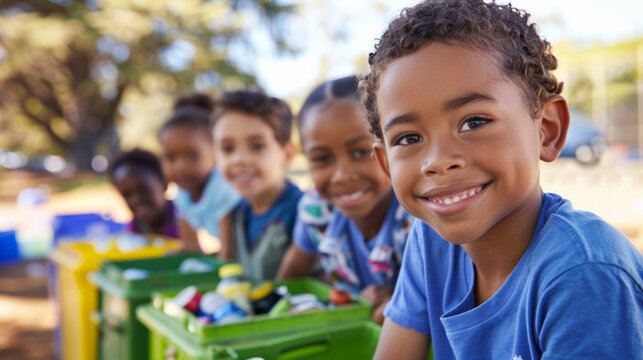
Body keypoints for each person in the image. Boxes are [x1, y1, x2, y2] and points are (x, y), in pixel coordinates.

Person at [363, 1, 643, 359]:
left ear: (546, 130)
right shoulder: (431, 241)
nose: (438, 162)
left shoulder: (585, 274)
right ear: (386, 164)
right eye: (409, 138)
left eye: (474, 122)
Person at [276, 76, 414, 324]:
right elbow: (291, 278)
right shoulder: (317, 210)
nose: (342, 175)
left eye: (361, 152)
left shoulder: (417, 215)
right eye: (322, 159)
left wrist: (403, 299)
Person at [211, 90, 303, 281]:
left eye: (257, 146)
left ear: (287, 153)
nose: (239, 160)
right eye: (228, 149)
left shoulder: (303, 212)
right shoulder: (234, 214)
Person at [159, 93, 241, 253]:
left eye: (192, 156)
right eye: (170, 157)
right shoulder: (182, 193)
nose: (180, 166)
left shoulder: (222, 187)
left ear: (216, 153)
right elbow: (190, 246)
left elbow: (229, 253)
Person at [109, 148, 179, 238]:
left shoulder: (182, 217)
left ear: (164, 183)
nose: (136, 200)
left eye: (144, 190)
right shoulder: (136, 226)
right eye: (126, 194)